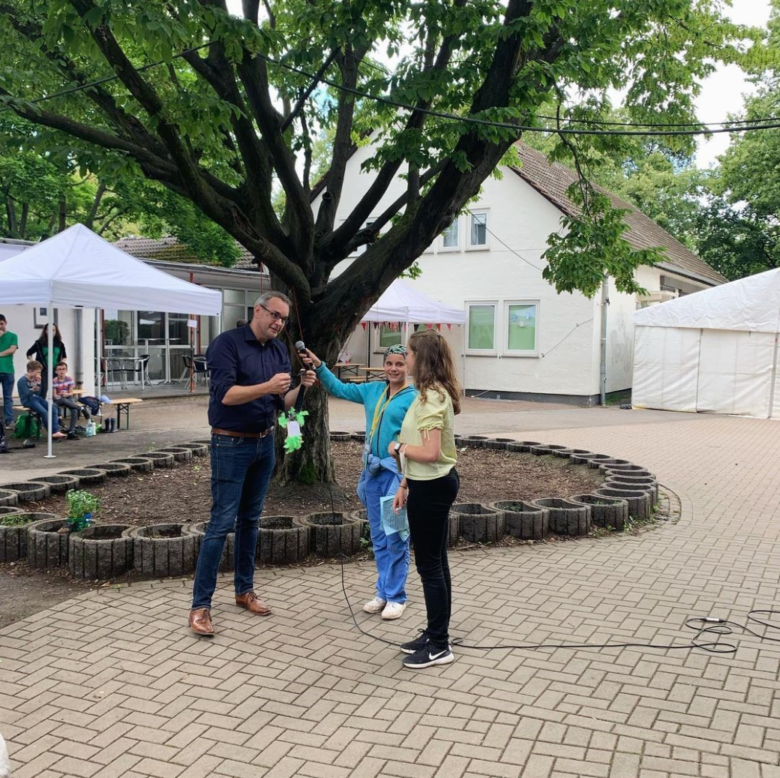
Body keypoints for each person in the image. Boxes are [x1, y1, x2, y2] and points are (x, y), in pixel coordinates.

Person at [189, 291, 317, 637]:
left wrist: (300, 386)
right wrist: (266, 386)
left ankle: (244, 591)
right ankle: (200, 606)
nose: (279, 323)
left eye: (284, 319)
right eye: (274, 315)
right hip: (230, 443)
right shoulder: (226, 344)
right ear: (257, 311)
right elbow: (225, 395)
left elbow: (283, 402)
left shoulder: (278, 350)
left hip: (264, 444)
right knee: (221, 524)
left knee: (251, 521)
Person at [307, 343, 417, 620]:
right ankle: (383, 591)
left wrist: (406, 480)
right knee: (378, 535)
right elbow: (339, 389)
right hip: (372, 472)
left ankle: (397, 596)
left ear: (409, 366)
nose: (393, 369)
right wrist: (320, 366)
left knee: (395, 534)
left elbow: (418, 438)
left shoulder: (414, 398)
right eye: (389, 363)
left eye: (400, 364)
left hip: (396, 473)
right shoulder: (373, 390)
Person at [390, 329, 461, 670]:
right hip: (424, 484)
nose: (405, 358)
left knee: (429, 566)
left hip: (433, 487)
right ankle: (435, 634)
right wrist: (405, 482)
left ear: (422, 358)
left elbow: (430, 452)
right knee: (437, 563)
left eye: (408, 353)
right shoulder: (429, 393)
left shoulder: (432, 397)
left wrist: (398, 448)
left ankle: (439, 647)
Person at [17, 360, 67, 440]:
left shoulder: (35, 379)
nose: (39, 374)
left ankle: (56, 431)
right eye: (37, 372)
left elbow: (38, 393)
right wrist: (33, 390)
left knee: (54, 409)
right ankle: (52, 432)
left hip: (36, 398)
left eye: (39, 372)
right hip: (28, 400)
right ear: (30, 371)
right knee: (44, 412)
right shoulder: (22, 380)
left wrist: (39, 383)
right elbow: (26, 394)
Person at [26, 324, 67, 399]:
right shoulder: (39, 343)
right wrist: (33, 363)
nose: (52, 332)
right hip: (43, 370)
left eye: (53, 330)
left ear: (56, 332)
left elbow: (64, 356)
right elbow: (29, 353)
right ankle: (42, 405)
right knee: (43, 389)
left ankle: (55, 405)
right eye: (49, 330)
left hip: (55, 370)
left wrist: (60, 366)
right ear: (45, 331)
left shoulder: (60, 344)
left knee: (55, 389)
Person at [52, 362, 82, 440]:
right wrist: (60, 395)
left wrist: (66, 394)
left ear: (66, 370)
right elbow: (54, 395)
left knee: (74, 410)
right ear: (56, 371)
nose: (61, 371)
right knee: (63, 400)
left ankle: (71, 431)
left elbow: (71, 392)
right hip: (58, 399)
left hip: (68, 398)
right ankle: (81, 408)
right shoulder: (54, 381)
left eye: (63, 369)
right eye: (59, 369)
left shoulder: (69, 379)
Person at [0, 314, 18, 429]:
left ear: (5, 322)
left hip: (8, 370)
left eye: (1, 323)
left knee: (8, 397)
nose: (0, 326)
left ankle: (9, 420)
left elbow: (12, 349)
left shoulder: (12, 336)